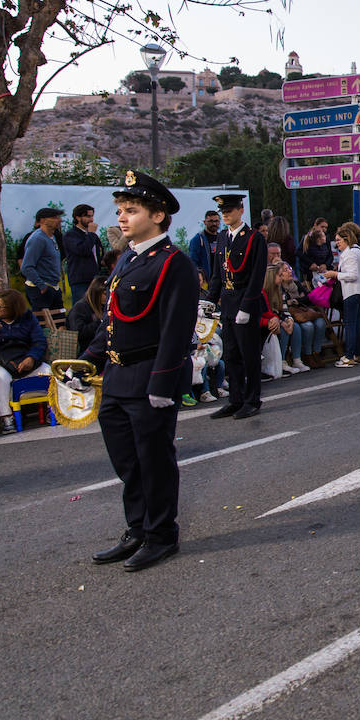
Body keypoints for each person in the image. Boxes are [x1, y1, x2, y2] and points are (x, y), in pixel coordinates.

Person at [79, 171, 197, 571]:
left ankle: (162, 534)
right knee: (127, 463)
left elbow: (176, 328)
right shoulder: (128, 258)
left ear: (159, 215)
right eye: (120, 210)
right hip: (115, 378)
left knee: (154, 460)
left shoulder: (174, 263)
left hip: (149, 378)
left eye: (131, 210)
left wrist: (163, 382)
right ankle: (137, 529)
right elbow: (112, 320)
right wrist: (86, 361)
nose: (122, 218)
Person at [205, 193, 267, 420]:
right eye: (223, 212)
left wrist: (247, 307)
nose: (225, 215)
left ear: (241, 210)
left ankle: (252, 400)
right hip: (228, 302)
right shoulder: (222, 238)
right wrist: (210, 300)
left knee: (248, 354)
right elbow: (217, 273)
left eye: (229, 211)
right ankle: (236, 399)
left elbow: (257, 276)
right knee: (230, 355)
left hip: (245, 303)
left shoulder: (254, 239)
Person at [0, 288, 50, 434]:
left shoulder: (27, 317)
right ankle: (6, 418)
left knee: (48, 371)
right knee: (1, 377)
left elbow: (39, 342)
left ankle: (54, 409)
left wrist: (31, 357)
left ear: (13, 308)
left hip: (23, 358)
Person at [325, 222, 360, 367]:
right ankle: (358, 354)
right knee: (356, 323)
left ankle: (349, 356)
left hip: (352, 291)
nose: (337, 244)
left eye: (338, 240)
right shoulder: (359, 251)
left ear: (346, 239)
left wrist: (335, 274)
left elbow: (352, 275)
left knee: (350, 324)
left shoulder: (349, 253)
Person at [276, 262, 327, 369]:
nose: (290, 271)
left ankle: (316, 353)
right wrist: (298, 300)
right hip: (292, 315)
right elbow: (284, 304)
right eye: (285, 270)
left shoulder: (296, 284)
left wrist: (296, 301)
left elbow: (309, 298)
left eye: (289, 268)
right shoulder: (280, 287)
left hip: (304, 312)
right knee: (307, 326)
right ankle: (307, 355)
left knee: (320, 323)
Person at [20, 206, 64, 313]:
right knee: (44, 325)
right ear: (42, 220)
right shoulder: (37, 239)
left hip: (54, 287)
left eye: (59, 217)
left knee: (60, 322)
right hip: (40, 289)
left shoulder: (52, 237)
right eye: (54, 217)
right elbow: (26, 267)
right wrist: (41, 286)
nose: (59, 220)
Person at [63, 204, 104, 307]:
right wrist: (91, 234)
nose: (91, 219)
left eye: (91, 216)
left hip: (94, 278)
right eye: (87, 216)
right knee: (82, 307)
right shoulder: (71, 235)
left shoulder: (91, 235)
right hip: (80, 280)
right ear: (77, 217)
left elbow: (99, 253)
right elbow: (83, 250)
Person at [67, 276, 107, 355]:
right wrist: (101, 322)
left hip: (100, 348)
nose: (108, 297)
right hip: (84, 351)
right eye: (105, 294)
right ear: (96, 293)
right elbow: (78, 332)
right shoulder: (81, 307)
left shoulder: (103, 306)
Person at [188, 210, 221, 288]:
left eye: (216, 221)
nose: (214, 224)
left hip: (222, 283)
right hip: (206, 284)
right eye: (211, 221)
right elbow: (193, 262)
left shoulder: (223, 238)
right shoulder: (197, 240)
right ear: (204, 222)